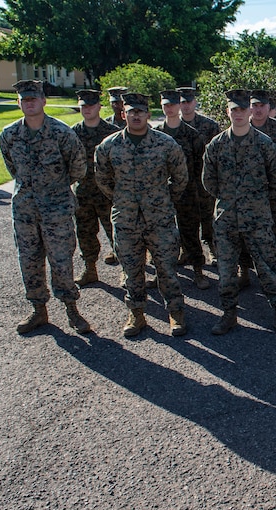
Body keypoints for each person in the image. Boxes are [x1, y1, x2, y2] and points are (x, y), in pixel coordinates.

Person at [0, 79, 91, 335]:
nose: (29, 103)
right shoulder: (9, 135)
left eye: (33, 98)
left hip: (57, 210)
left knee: (62, 262)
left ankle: (72, 310)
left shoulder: (62, 133)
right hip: (25, 211)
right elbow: (13, 168)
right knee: (29, 261)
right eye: (24, 99)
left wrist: (56, 189)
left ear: (43, 101)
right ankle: (38, 310)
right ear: (19, 103)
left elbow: (78, 167)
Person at [95, 93, 189, 337]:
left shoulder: (165, 144)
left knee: (167, 268)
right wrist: (122, 199)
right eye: (131, 112)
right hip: (125, 219)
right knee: (131, 270)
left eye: (140, 111)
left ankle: (175, 312)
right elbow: (103, 180)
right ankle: (136, 314)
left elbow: (180, 178)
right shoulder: (109, 146)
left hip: (160, 219)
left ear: (148, 114)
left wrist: (163, 199)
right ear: (123, 114)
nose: (136, 115)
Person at [202, 89, 276, 335]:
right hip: (226, 220)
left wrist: (258, 204)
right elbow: (209, 182)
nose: (238, 114)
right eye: (233, 110)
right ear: (227, 112)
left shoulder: (264, 144)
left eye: (242, 109)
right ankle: (229, 314)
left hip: (258, 219)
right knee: (226, 272)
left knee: (268, 271)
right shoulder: (216, 146)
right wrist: (230, 199)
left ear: (250, 111)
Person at [237, 90, 276, 281]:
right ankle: (244, 269)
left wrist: (275, 180)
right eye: (254, 105)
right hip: (247, 192)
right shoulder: (241, 129)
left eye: (261, 106)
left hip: (274, 192)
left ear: (269, 107)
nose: (258, 109)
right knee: (244, 230)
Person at [154, 90, 210, 291]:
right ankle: (161, 274)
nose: (169, 108)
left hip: (187, 193)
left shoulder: (192, 135)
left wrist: (197, 193)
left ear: (179, 106)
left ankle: (198, 271)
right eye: (165, 105)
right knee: (159, 236)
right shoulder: (154, 134)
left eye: (172, 105)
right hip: (160, 196)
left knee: (190, 232)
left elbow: (199, 168)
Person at [71, 89, 120, 288]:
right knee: (85, 233)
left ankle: (127, 271)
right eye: (84, 106)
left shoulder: (111, 132)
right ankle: (90, 269)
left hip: (107, 194)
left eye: (91, 105)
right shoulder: (72, 133)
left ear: (99, 107)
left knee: (117, 233)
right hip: (83, 193)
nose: (87, 109)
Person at [178, 86, 222, 266]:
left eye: (189, 102)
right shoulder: (172, 126)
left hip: (204, 181)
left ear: (195, 102)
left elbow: (218, 154)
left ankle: (213, 249)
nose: (186, 106)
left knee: (207, 217)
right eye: (182, 102)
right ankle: (186, 250)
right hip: (182, 183)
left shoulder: (209, 126)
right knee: (183, 219)